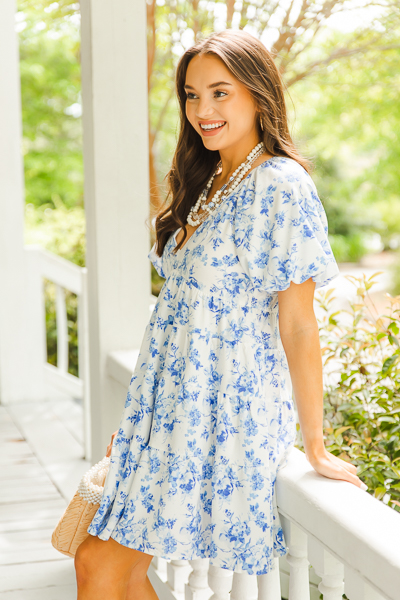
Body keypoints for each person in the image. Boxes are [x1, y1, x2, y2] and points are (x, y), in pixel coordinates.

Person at [74, 28, 367, 600]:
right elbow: (179, 317)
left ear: (258, 94)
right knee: (116, 569)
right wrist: (144, 421)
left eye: (219, 92)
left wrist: (316, 444)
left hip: (218, 413)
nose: (202, 110)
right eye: (191, 95)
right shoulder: (206, 178)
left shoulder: (281, 185)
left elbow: (299, 323)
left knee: (98, 562)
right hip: (167, 409)